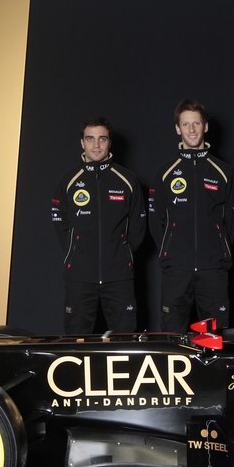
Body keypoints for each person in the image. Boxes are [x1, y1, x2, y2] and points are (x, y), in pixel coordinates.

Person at [147, 99, 234, 331]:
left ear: (205, 127)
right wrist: (170, 252)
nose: (191, 130)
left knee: (215, 337)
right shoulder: (165, 172)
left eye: (196, 123)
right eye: (185, 124)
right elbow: (155, 220)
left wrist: (220, 251)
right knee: (173, 337)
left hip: (213, 269)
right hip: (176, 269)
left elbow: (232, 220)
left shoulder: (223, 171)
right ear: (177, 129)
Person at [51, 117, 145, 333]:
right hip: (80, 277)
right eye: (90, 139)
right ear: (82, 143)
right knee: (76, 341)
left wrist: (123, 253)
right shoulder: (68, 181)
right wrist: (76, 253)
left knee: (125, 341)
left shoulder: (127, 179)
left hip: (118, 276)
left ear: (109, 142)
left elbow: (138, 224)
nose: (96, 145)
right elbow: (60, 224)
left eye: (102, 139)